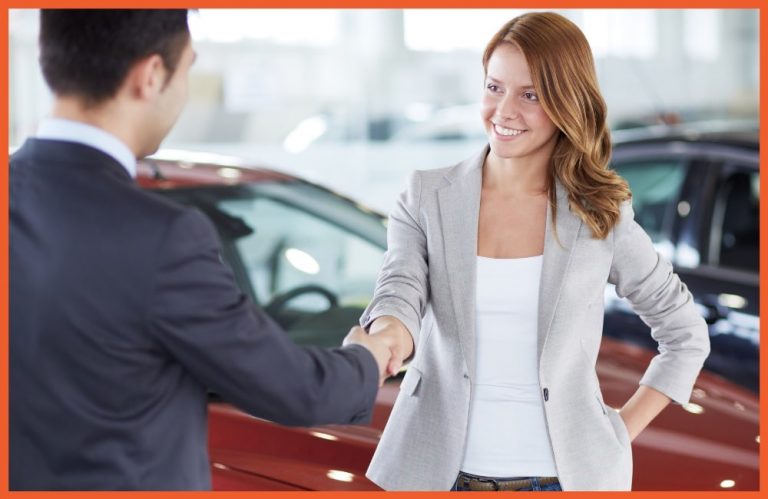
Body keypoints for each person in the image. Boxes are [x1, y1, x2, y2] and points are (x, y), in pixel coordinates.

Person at [10, 9, 393, 491]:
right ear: (151, 76)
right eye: (187, 68)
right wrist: (369, 355)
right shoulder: (159, 236)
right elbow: (295, 390)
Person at [359, 12, 710, 491]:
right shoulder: (426, 196)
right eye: (494, 86)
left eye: (531, 95)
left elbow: (685, 331)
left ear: (567, 103)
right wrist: (385, 338)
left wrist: (615, 434)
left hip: (561, 480)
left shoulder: (598, 213)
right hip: (438, 476)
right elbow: (399, 290)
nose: (503, 110)